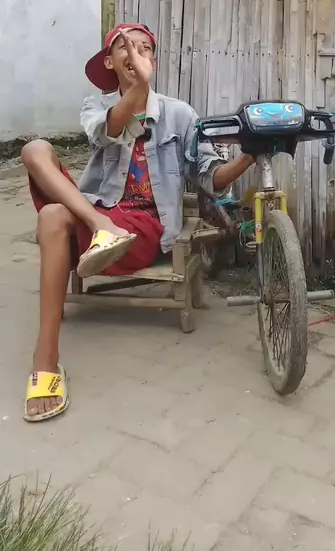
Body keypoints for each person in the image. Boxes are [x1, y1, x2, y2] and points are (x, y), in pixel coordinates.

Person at [22, 23, 254, 422]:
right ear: (109, 62)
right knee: (34, 150)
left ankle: (45, 360)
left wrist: (248, 157)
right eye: (124, 47)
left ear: (153, 61)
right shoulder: (96, 106)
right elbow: (109, 131)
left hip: (142, 228)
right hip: (98, 212)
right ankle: (97, 231)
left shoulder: (180, 114)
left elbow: (209, 177)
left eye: (144, 47)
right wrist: (137, 90)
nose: (135, 52)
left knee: (51, 216)